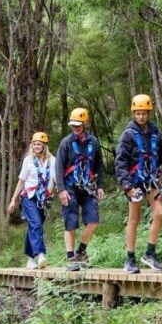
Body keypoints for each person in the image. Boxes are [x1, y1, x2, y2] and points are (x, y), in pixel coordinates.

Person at [115, 94, 162, 274]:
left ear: (149, 113)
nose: (141, 116)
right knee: (134, 219)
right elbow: (120, 162)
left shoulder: (156, 133)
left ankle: (149, 253)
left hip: (151, 181)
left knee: (160, 213)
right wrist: (128, 186)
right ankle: (130, 259)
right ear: (134, 113)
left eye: (144, 113)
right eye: (138, 113)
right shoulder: (128, 134)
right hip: (134, 182)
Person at [55, 108, 105, 272]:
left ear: (85, 123)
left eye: (78, 125)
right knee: (71, 223)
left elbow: (99, 166)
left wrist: (100, 186)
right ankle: (71, 258)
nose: (75, 128)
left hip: (89, 187)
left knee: (93, 221)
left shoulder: (94, 142)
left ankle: (81, 252)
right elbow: (59, 168)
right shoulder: (66, 143)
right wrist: (61, 190)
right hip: (69, 187)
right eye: (73, 125)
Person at [7, 132, 56, 269]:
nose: (36, 146)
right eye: (34, 144)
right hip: (28, 197)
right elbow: (21, 181)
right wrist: (13, 200)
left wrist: (63, 192)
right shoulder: (28, 160)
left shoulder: (52, 160)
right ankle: (40, 254)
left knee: (34, 227)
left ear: (44, 146)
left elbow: (56, 179)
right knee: (36, 224)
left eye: (39, 144)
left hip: (44, 198)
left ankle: (29, 259)